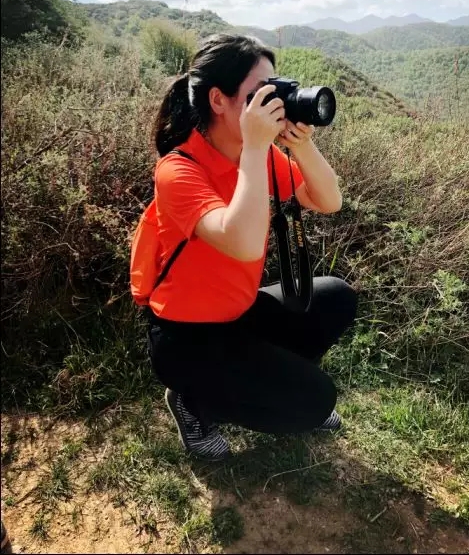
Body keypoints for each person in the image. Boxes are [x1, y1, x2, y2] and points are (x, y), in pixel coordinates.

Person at [144, 33, 358, 460]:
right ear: (218, 100)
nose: (272, 103)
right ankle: (194, 403)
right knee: (316, 401)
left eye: (274, 90)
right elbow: (241, 243)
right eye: (260, 93)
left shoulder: (255, 154)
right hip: (186, 336)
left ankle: (272, 383)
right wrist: (258, 147)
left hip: (237, 312)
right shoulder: (178, 170)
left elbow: (328, 200)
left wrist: (301, 144)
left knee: (336, 297)